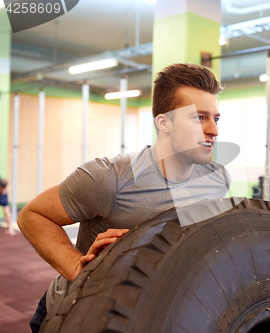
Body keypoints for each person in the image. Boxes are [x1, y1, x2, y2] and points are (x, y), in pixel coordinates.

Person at [17, 63, 230, 332]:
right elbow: (32, 216)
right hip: (74, 313)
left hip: (144, 310)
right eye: (199, 118)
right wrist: (79, 271)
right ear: (164, 122)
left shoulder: (216, 180)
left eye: (216, 118)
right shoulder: (110, 178)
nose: (213, 130)